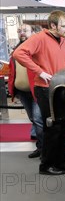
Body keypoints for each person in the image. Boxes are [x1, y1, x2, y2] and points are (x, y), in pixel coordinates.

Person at [13, 10, 65, 176]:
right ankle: (46, 165)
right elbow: (18, 53)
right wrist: (39, 71)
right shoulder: (39, 38)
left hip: (61, 87)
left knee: (64, 127)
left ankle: (60, 162)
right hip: (44, 88)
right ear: (53, 25)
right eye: (64, 26)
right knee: (52, 127)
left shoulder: (63, 40)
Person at [7, 24, 44, 158]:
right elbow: (13, 71)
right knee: (33, 119)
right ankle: (41, 148)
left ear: (33, 32)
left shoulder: (36, 48)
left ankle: (44, 149)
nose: (21, 33)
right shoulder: (16, 49)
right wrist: (14, 89)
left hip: (36, 91)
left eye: (25, 31)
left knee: (38, 119)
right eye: (19, 31)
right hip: (22, 91)